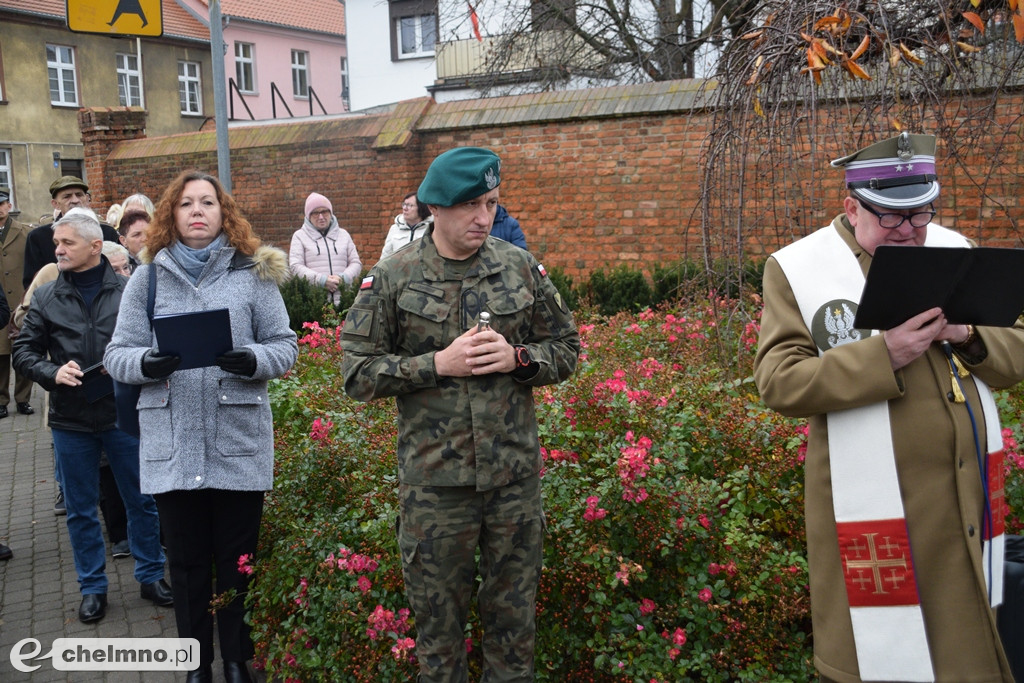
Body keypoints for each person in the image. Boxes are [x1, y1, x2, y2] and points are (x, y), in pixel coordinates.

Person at [753, 132, 1024, 683]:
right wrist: (883, 356)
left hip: (965, 500)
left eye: (920, 215)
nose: (910, 231)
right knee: (882, 656)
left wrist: (970, 336)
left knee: (970, 646)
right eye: (892, 218)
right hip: (879, 513)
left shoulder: (954, 248)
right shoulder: (800, 269)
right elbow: (779, 382)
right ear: (851, 207)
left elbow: (1015, 352)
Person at [341, 147, 580, 682]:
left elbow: (566, 347)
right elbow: (356, 372)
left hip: (512, 482)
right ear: (435, 208)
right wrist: (436, 364)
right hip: (435, 488)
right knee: (439, 638)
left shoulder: (518, 266)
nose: (484, 217)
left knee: (513, 633)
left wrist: (520, 359)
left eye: (491, 203)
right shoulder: (395, 277)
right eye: (471, 204)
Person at [104, 170, 298, 683]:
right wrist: (148, 362)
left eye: (207, 202)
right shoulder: (147, 278)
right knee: (187, 565)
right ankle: (196, 662)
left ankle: (237, 659)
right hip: (171, 443)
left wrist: (251, 358)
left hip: (238, 440)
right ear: (171, 214)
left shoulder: (252, 273)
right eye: (186, 203)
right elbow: (116, 355)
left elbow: (285, 344)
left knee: (238, 560)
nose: (197, 211)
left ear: (223, 212)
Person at [12, 208, 172, 624]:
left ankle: (151, 574)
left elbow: (155, 343)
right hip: (70, 420)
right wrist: (51, 371)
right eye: (56, 243)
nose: (57, 250)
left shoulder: (128, 292)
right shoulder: (46, 296)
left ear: (95, 247)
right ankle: (93, 587)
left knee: (141, 499)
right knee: (82, 509)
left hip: (123, 413)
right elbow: (23, 351)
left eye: (67, 243)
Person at [23, 176, 120, 289]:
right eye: (67, 196)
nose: (75, 200)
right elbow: (31, 284)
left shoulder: (107, 232)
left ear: (87, 198)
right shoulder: (39, 237)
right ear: (55, 204)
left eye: (79, 195)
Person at [288, 192, 361, 306]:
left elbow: (356, 263)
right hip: (314, 303)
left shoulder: (344, 235)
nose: (321, 217)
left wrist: (343, 279)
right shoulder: (299, 236)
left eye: (324, 212)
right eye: (315, 213)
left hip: (345, 301)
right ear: (308, 216)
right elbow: (295, 266)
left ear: (331, 213)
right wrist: (321, 281)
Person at [0, 186, 34, 418]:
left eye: (2, 204)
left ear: (9, 206)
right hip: (0, 306)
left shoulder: (25, 233)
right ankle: (1, 400)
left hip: (21, 303)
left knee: (23, 352)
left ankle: (23, 399)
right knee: (0, 356)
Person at [380, 191, 433, 259]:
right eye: (404, 204)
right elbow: (385, 256)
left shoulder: (431, 228)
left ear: (421, 208)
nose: (405, 208)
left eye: (409, 205)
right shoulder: (395, 228)